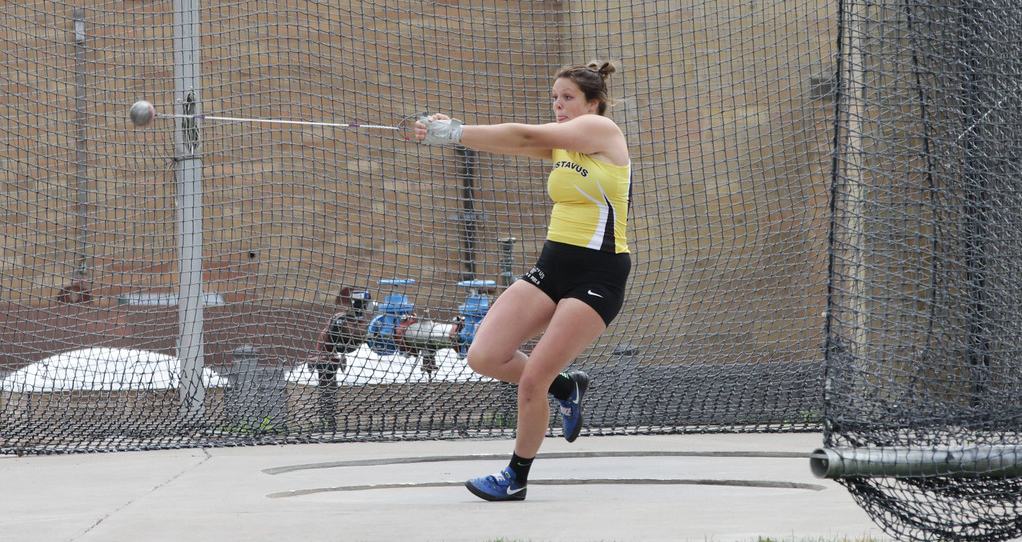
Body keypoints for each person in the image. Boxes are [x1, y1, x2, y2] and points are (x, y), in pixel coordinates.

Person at [415, 60, 631, 501]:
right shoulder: (563, 146)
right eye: (554, 97)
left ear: (593, 103)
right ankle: (567, 387)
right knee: (484, 355)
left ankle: (515, 478)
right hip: (553, 266)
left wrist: (455, 131)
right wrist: (451, 130)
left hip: (599, 273)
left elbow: (527, 134)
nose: (558, 105)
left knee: (532, 378)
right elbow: (513, 143)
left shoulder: (602, 132)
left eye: (567, 97)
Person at [308, 286, 371, 430]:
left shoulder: (345, 321)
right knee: (327, 386)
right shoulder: (340, 322)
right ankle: (328, 422)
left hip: (331, 354)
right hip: (326, 358)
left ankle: (329, 422)